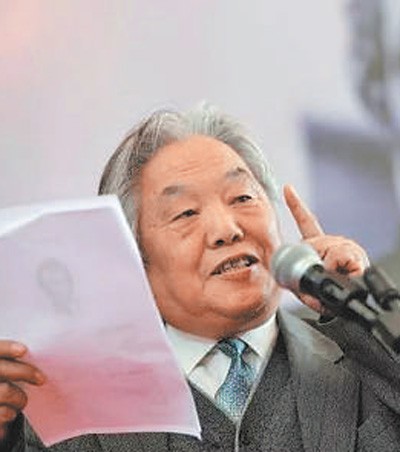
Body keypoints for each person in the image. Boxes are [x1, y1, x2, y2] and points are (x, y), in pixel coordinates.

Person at [0, 104, 399, 451]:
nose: (227, 229)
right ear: (135, 259)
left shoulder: (364, 352)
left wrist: (364, 313)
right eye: (186, 213)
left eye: (242, 198)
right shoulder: (73, 405)